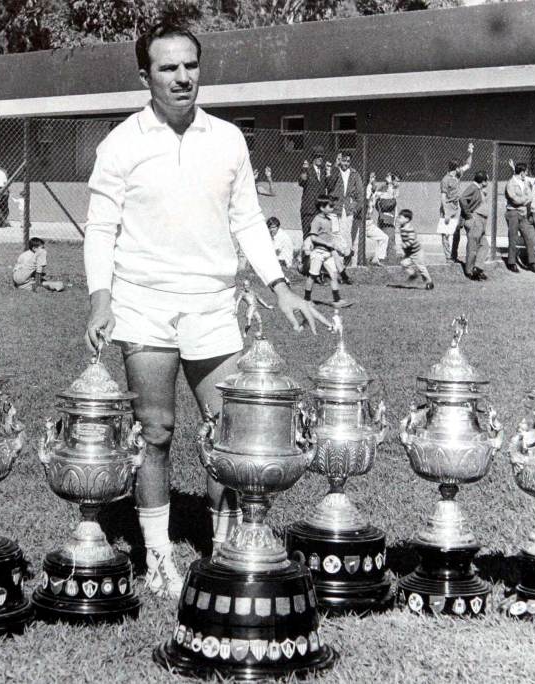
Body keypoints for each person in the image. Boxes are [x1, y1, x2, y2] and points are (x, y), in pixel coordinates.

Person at [83, 23, 328, 599]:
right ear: (145, 76)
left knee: (227, 433)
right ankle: (159, 555)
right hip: (142, 303)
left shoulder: (227, 139)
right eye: (168, 68)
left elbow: (247, 219)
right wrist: (101, 298)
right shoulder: (120, 143)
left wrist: (281, 285)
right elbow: (100, 228)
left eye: (190, 65)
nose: (182, 77)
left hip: (214, 304)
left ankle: (225, 549)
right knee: (157, 431)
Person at [302, 194, 350, 308]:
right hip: (318, 253)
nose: (332, 208)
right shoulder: (316, 220)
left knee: (333, 275)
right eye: (330, 206)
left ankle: (337, 300)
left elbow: (329, 236)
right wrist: (326, 243)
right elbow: (313, 237)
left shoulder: (329, 219)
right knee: (312, 276)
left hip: (327, 253)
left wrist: (333, 245)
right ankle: (306, 300)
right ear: (322, 207)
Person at [327, 151, 364, 280]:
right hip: (335, 207)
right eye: (344, 161)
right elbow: (329, 185)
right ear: (339, 160)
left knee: (346, 234)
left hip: (347, 209)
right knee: (334, 234)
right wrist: (334, 167)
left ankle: (345, 263)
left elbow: (360, 193)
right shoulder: (335, 171)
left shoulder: (354, 174)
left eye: (348, 161)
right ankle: (336, 263)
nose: (346, 164)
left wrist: (355, 207)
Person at [438, 143, 474, 264]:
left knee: (456, 231)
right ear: (456, 167)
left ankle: (454, 255)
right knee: (446, 234)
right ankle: (448, 257)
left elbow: (468, 165)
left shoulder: (457, 175)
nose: (461, 168)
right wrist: (446, 213)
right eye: (460, 166)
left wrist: (470, 152)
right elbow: (443, 197)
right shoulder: (445, 180)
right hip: (447, 208)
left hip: (457, 207)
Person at [298, 146, 329, 271]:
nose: (319, 159)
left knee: (319, 238)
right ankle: (305, 266)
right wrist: (304, 169)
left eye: (321, 156)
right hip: (308, 210)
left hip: (318, 211)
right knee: (307, 238)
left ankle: (317, 268)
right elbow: (302, 181)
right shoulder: (307, 170)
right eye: (317, 156)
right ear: (313, 158)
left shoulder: (323, 172)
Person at [458, 172, 491, 281]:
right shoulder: (473, 187)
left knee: (484, 245)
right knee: (473, 246)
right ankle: (469, 271)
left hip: (481, 221)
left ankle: (477, 268)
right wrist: (468, 215)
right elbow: (462, 198)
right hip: (475, 220)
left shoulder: (479, 189)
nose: (488, 182)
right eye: (487, 179)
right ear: (483, 181)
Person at [504, 162, 533, 273]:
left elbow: (530, 196)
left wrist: (523, 200)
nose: (526, 174)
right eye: (525, 172)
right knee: (513, 238)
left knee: (529, 237)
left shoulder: (525, 182)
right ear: (521, 173)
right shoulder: (510, 184)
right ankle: (512, 263)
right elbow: (514, 199)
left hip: (523, 213)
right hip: (513, 213)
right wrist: (525, 200)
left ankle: (532, 262)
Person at [397, 209, 434, 290]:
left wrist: (402, 246)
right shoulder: (402, 227)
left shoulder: (409, 228)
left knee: (421, 268)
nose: (398, 219)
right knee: (404, 263)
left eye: (400, 218)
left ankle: (429, 282)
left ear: (407, 219)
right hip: (409, 252)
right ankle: (413, 274)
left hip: (417, 252)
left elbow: (411, 240)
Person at [372, 173, 400, 265]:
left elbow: (391, 201)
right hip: (384, 218)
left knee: (388, 239)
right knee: (385, 239)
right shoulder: (384, 187)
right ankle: (384, 259)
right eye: (396, 180)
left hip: (389, 219)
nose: (398, 183)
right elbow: (379, 200)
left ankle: (388, 260)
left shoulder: (394, 189)